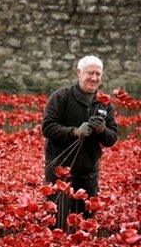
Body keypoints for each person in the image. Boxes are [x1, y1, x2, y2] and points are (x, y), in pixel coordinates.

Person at [42, 55, 118, 230]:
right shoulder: (61, 97)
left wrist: (102, 130)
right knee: (58, 223)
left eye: (98, 74)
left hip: (88, 172)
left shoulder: (105, 104)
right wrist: (74, 132)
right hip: (60, 170)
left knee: (85, 225)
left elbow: (112, 138)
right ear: (79, 73)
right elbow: (47, 127)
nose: (94, 78)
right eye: (90, 73)